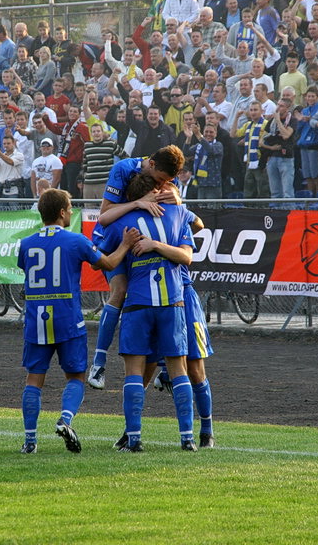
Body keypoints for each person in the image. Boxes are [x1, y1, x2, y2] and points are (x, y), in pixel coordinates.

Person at [16, 189, 139, 454]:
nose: (71, 212)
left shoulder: (26, 244)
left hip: (36, 318)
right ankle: (65, 420)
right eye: (70, 208)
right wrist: (126, 244)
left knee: (34, 379)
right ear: (62, 212)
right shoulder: (76, 241)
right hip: (67, 317)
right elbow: (106, 264)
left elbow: (26, 272)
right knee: (76, 376)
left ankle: (29, 441)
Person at [97, 172, 197, 452]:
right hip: (172, 301)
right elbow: (188, 256)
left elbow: (103, 259)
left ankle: (135, 438)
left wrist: (130, 246)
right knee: (178, 369)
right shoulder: (179, 213)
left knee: (133, 371)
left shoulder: (121, 221)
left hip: (138, 303)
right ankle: (187, 437)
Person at [86, 146, 185, 390]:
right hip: (112, 238)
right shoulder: (123, 168)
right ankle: (98, 364)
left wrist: (178, 199)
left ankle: (164, 366)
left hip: (140, 241)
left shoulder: (166, 180)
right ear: (151, 165)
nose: (162, 185)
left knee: (167, 289)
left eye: (167, 182)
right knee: (120, 291)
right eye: (161, 180)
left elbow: (183, 212)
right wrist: (138, 203)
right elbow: (105, 214)